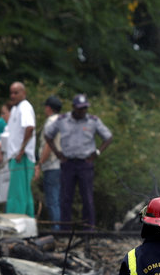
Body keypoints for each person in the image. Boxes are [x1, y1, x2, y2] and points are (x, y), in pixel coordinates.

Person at [43, 93, 113, 230]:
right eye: (80, 108)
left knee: (87, 197)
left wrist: (97, 152)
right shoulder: (62, 120)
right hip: (68, 163)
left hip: (85, 163)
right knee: (65, 198)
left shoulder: (93, 121)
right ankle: (65, 229)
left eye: (85, 108)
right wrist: (57, 153)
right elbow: (48, 135)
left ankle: (88, 228)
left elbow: (108, 137)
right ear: (74, 107)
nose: (82, 111)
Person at [3, 82, 36, 217]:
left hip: (21, 157)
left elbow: (30, 127)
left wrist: (21, 150)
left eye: (16, 93)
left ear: (24, 93)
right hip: (15, 156)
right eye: (11, 93)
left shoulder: (25, 107)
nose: (13, 96)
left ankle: (16, 219)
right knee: (23, 191)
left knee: (18, 192)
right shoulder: (15, 109)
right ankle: (28, 219)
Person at [33, 95, 63, 228]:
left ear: (49, 108)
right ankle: (61, 229)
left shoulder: (50, 122)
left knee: (52, 200)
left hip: (52, 165)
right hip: (63, 165)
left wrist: (39, 164)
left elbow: (48, 146)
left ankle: (56, 230)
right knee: (59, 199)